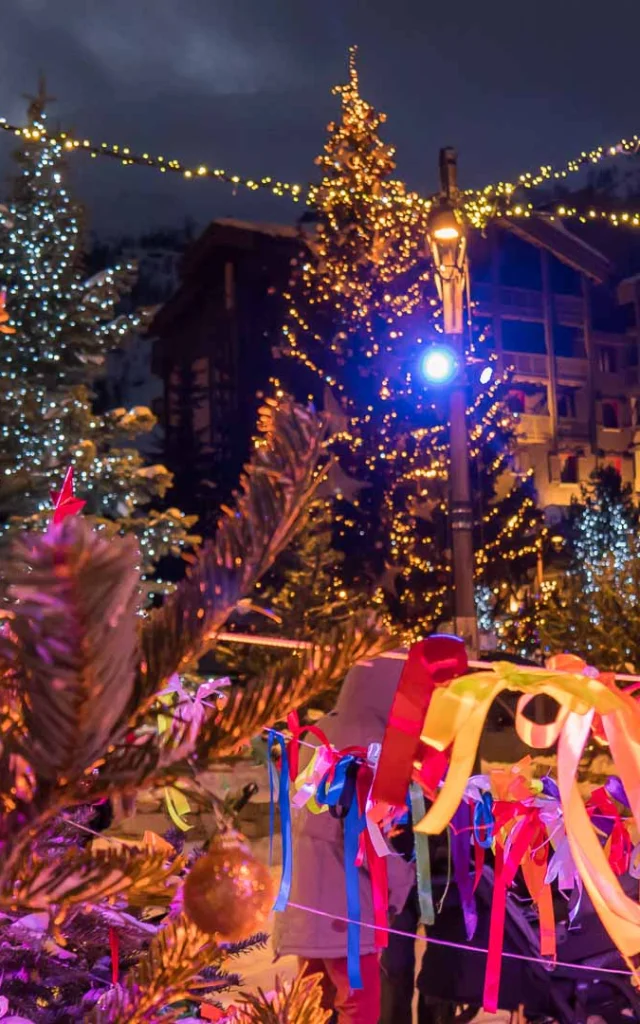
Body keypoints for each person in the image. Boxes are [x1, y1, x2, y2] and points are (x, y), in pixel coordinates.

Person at [272, 655, 415, 1024]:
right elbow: (367, 840)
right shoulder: (377, 747)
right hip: (348, 914)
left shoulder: (319, 732)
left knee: (313, 1007)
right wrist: (403, 882)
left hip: (307, 904)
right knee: (358, 1008)